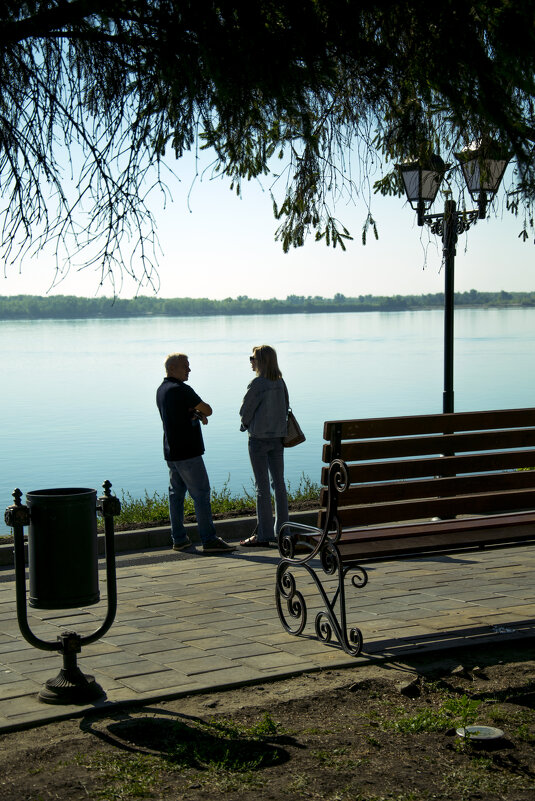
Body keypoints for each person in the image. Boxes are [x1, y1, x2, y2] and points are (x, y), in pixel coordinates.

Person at [156, 352, 235, 553]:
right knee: (201, 494)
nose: (189, 370)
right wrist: (200, 412)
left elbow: (179, 414)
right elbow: (208, 410)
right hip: (188, 452)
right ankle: (209, 539)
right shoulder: (182, 390)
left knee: (176, 495)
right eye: (186, 366)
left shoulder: (162, 390)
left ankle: (179, 538)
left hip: (171, 451)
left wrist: (194, 413)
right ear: (173, 368)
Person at [239, 344, 289, 546]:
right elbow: (285, 405)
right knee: (279, 484)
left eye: (253, 358)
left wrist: (244, 424)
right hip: (278, 438)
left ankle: (264, 535)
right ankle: (283, 531)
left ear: (261, 361)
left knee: (262, 488)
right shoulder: (280, 382)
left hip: (258, 439)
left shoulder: (258, 383)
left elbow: (245, 411)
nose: (251, 362)